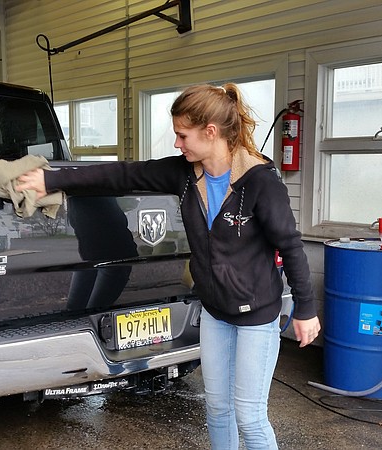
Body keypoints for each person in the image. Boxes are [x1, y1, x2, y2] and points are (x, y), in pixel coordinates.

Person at [17, 83, 321, 449]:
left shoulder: (258, 181)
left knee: (250, 417)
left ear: (210, 133)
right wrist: (51, 179)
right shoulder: (184, 174)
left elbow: (290, 246)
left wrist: (306, 309)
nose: (177, 144)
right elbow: (123, 175)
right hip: (214, 311)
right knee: (217, 409)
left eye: (182, 135)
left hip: (257, 314)